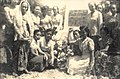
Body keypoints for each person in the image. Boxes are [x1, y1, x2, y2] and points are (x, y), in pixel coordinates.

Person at [13, 0, 34, 75]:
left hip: (27, 35)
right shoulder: (17, 15)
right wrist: (20, 34)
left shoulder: (29, 16)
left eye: (26, 7)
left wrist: (31, 35)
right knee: (17, 52)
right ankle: (15, 70)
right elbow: (15, 26)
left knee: (26, 52)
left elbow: (32, 26)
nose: (24, 8)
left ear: (27, 8)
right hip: (19, 35)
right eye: (23, 7)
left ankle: (24, 68)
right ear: (20, 7)